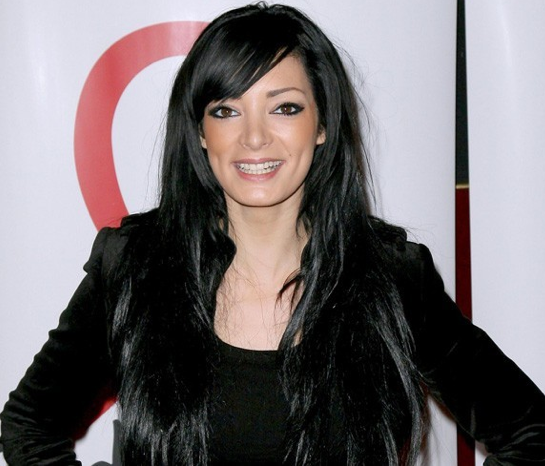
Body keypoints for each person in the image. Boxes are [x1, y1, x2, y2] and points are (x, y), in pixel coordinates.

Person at [1, 3, 545, 465]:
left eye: (284, 107)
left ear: (323, 124)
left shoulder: (391, 276)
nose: (255, 137)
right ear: (200, 133)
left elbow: (530, 430)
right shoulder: (134, 267)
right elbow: (28, 426)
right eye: (226, 110)